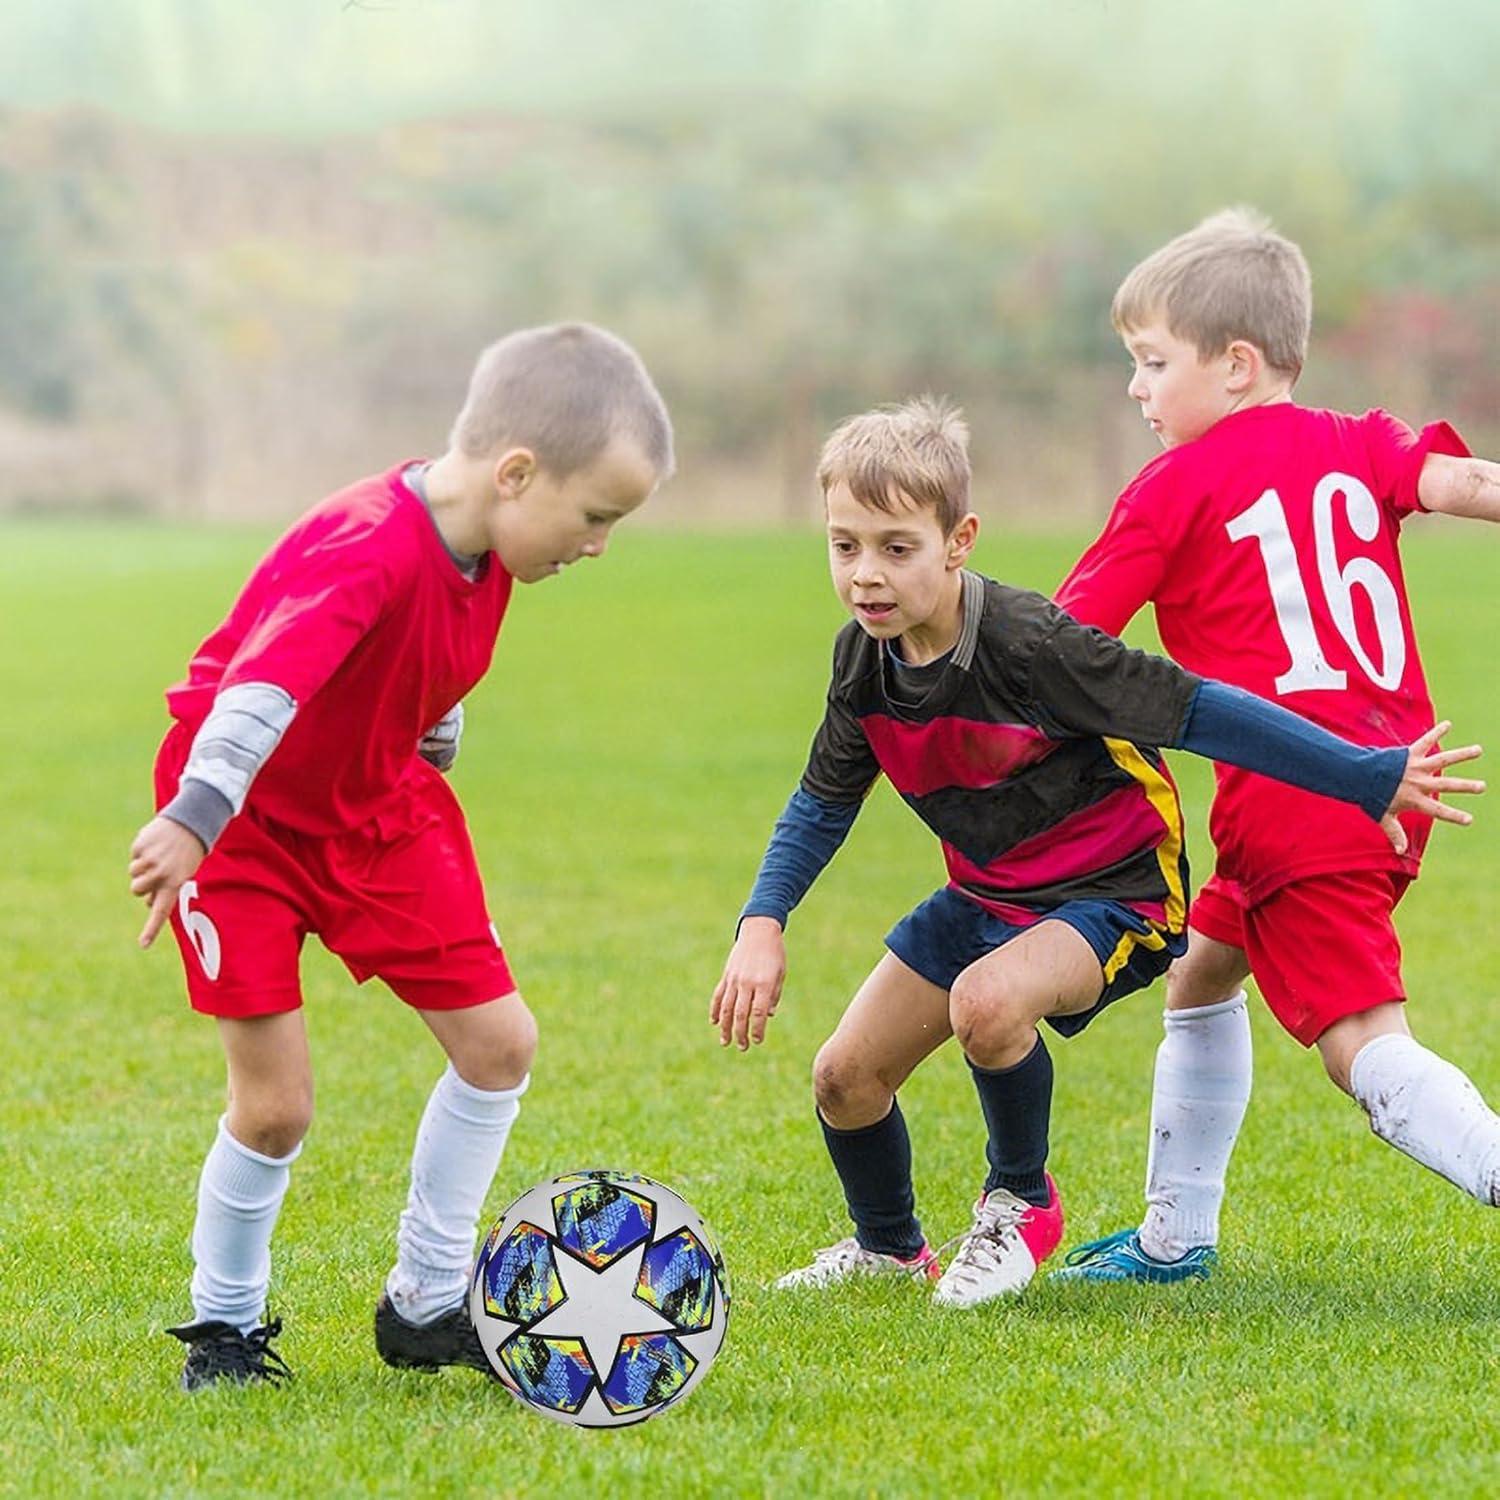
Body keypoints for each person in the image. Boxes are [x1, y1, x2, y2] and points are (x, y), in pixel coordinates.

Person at [708, 396, 1480, 1309]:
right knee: (843, 1077)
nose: (866, 576)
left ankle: (1020, 1205)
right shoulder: (862, 663)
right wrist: (763, 920)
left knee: (986, 1003)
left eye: (895, 547)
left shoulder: (1033, 648)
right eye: (845, 546)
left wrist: (1363, 773)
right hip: (990, 893)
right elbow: (822, 799)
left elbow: (1203, 712)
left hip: (1115, 892)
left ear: (960, 541)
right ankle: (888, 1248)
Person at [128, 323, 673, 1387]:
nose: (599, 542)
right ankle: (224, 1328)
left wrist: (434, 727)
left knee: (498, 1045)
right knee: (276, 1105)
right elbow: (262, 690)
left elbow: (422, 661)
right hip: (244, 824)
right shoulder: (366, 541)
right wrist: (195, 819)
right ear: (516, 473)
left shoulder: (490, 547)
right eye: (596, 515)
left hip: (378, 810)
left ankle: (425, 1303)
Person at [1050, 208, 1500, 1285]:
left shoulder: (1173, 488)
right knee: (1203, 975)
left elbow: (1066, 642)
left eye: (1154, 362)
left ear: (1238, 366)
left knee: (1363, 1047)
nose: (1137, 388)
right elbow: (1463, 484)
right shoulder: (1364, 440)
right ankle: (1174, 1238)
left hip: (1296, 800)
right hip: (1397, 778)